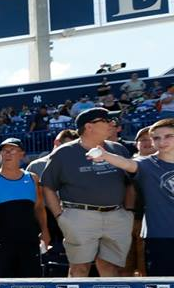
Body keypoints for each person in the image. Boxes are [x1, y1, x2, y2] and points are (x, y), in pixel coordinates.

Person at [41, 108, 134, 278]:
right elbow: (48, 186)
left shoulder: (118, 149)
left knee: (111, 268)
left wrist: (128, 211)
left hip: (117, 215)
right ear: (89, 127)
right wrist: (60, 216)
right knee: (79, 268)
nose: (112, 124)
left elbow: (129, 183)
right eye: (106, 121)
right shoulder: (63, 153)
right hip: (79, 216)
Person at [87, 119, 174, 276]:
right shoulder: (146, 164)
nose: (162, 141)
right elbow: (127, 164)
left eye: (168, 136)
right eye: (156, 138)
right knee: (163, 287)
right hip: (160, 236)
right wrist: (105, 155)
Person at [0, 138, 51, 277]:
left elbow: (39, 208)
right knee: (3, 284)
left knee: (33, 282)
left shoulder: (32, 178)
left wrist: (45, 231)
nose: (7, 154)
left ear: (22, 154)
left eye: (12, 150)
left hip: (29, 240)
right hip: (2, 242)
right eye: (4, 151)